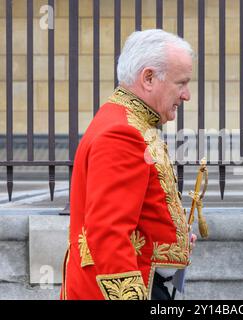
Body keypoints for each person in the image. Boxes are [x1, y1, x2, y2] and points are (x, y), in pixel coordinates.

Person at [60, 29, 195, 300]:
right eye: (181, 83)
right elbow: (109, 233)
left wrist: (170, 234)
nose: (186, 95)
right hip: (126, 286)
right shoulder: (122, 132)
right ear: (148, 78)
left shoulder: (128, 120)